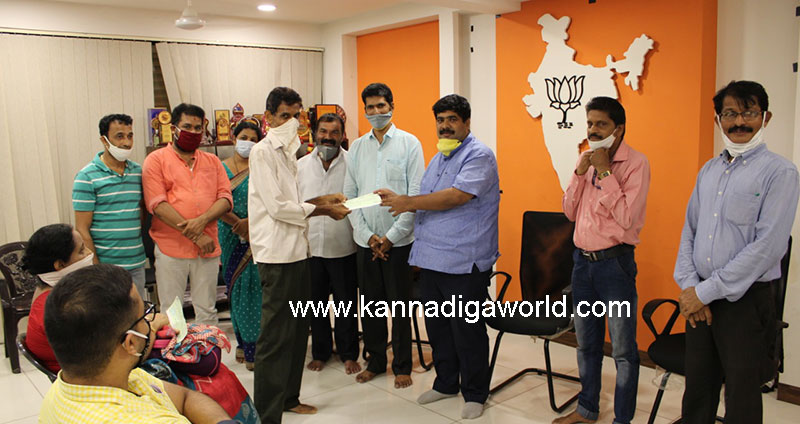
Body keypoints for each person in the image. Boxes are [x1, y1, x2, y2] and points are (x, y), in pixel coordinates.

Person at [674, 80, 799, 424]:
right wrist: (690, 287)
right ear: (718, 119)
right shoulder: (709, 170)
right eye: (730, 114)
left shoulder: (780, 172)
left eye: (749, 113)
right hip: (700, 297)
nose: (739, 122)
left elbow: (768, 247)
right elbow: (689, 232)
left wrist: (704, 292)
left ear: (765, 117)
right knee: (698, 389)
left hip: (744, 302)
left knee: (742, 396)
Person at [377, 94, 500, 419]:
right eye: (440, 120)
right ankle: (446, 383)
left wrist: (407, 202)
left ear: (466, 122)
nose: (445, 126)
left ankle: (475, 392)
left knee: (467, 332)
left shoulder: (479, 155)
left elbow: (455, 197)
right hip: (432, 259)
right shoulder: (438, 158)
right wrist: (400, 199)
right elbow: (425, 198)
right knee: (439, 328)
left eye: (452, 120)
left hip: (464, 262)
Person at [248, 87, 351, 424]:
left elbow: (295, 203)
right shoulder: (262, 152)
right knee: (275, 338)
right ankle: (267, 414)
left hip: (298, 252)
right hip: (276, 255)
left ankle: (289, 398)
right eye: (284, 116)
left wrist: (322, 201)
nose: (292, 123)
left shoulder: (290, 152)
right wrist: (322, 209)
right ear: (268, 118)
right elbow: (278, 208)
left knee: (296, 332)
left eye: (296, 116)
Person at [38, 264, 233, 424]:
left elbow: (185, 398)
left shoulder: (66, 386)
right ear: (130, 343)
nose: (151, 320)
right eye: (145, 315)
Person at [556, 96, 650, 424]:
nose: (593, 130)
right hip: (582, 265)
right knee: (586, 345)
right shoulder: (585, 160)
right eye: (590, 123)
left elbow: (626, 217)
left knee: (622, 350)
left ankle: (622, 419)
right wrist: (579, 173)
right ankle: (587, 409)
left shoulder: (636, 163)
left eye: (601, 124)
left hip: (615, 266)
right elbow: (569, 212)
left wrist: (605, 171)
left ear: (618, 128)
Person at [343, 82, 425, 389]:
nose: (376, 111)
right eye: (370, 107)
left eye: (381, 105)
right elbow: (350, 196)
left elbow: (414, 195)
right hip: (367, 242)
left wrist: (390, 237)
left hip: (399, 243)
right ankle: (376, 361)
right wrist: (368, 236)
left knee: (400, 307)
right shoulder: (357, 147)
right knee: (371, 307)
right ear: (364, 110)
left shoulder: (409, 144)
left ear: (392, 106)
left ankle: (402, 365)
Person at [142, 103, 233, 325]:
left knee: (207, 309)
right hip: (171, 249)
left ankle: (207, 348)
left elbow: (225, 198)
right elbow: (157, 204)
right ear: (173, 128)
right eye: (187, 127)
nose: (193, 132)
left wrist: (202, 221)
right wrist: (196, 235)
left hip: (207, 248)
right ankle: (176, 349)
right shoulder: (155, 160)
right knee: (172, 313)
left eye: (197, 128)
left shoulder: (213, 162)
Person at [298, 113, 361, 375]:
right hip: (311, 248)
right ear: (314, 133)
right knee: (316, 305)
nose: (328, 137)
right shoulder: (300, 166)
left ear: (342, 135)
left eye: (334, 132)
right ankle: (320, 352)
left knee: (346, 305)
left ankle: (348, 353)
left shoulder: (353, 164)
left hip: (344, 246)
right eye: (323, 131)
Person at [72, 114, 147, 297]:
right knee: (110, 314)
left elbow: (141, 213)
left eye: (130, 136)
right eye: (119, 136)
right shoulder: (86, 176)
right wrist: (96, 267)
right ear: (104, 140)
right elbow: (82, 228)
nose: (126, 142)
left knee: (137, 312)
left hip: (136, 263)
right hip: (106, 267)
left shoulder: (138, 172)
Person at [218, 120, 264, 371]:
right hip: (229, 232)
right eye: (244, 137)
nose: (248, 143)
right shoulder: (220, 167)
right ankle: (241, 342)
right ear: (234, 138)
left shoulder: (260, 167)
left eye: (254, 140)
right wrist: (237, 223)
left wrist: (250, 224)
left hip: (256, 231)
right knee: (234, 287)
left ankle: (252, 349)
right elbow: (214, 199)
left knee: (251, 289)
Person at [21, 224, 94, 372]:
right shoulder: (61, 309)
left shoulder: (45, 291)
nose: (89, 253)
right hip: (82, 377)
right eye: (81, 251)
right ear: (60, 265)